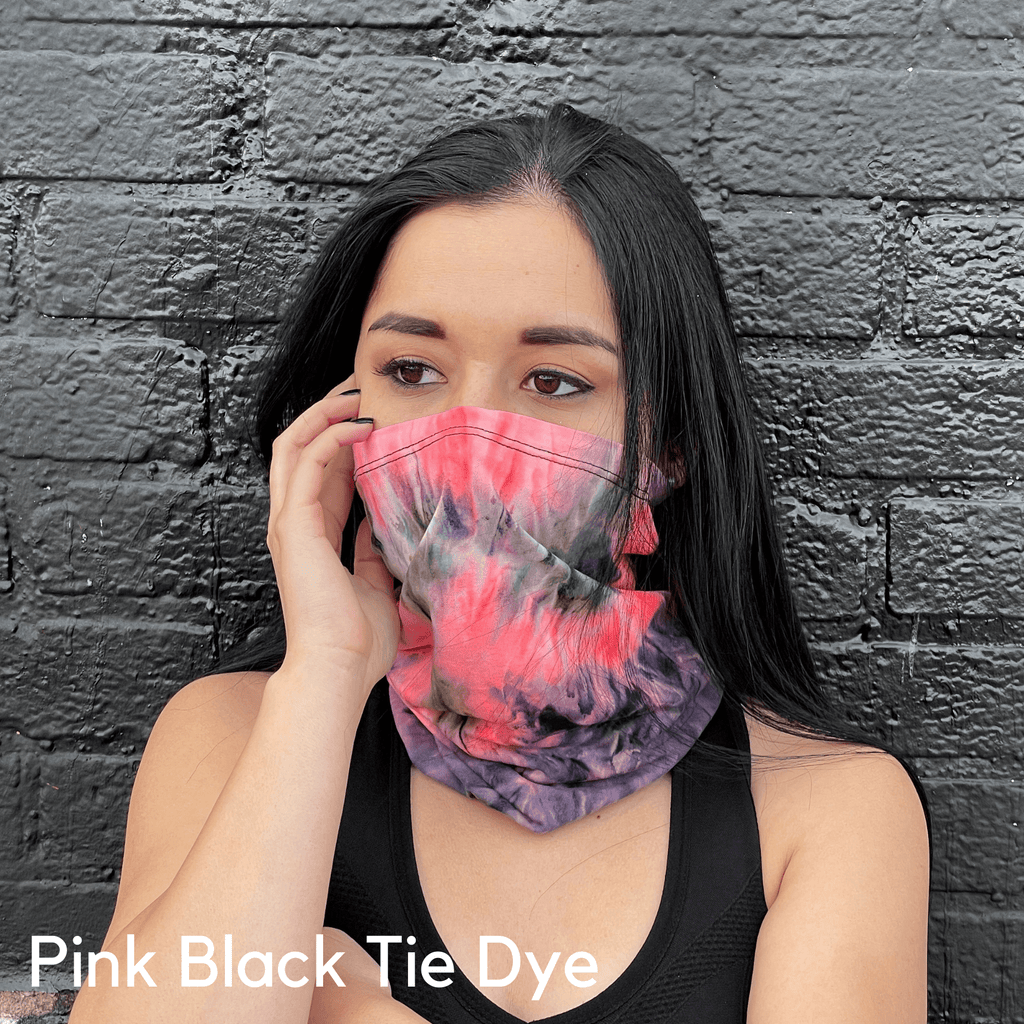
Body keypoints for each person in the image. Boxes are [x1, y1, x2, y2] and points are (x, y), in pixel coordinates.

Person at [68, 104, 930, 1024]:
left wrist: (353, 1014)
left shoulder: (824, 810)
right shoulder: (231, 740)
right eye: (412, 370)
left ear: (669, 445)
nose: (468, 442)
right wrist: (324, 673)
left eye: (554, 381)